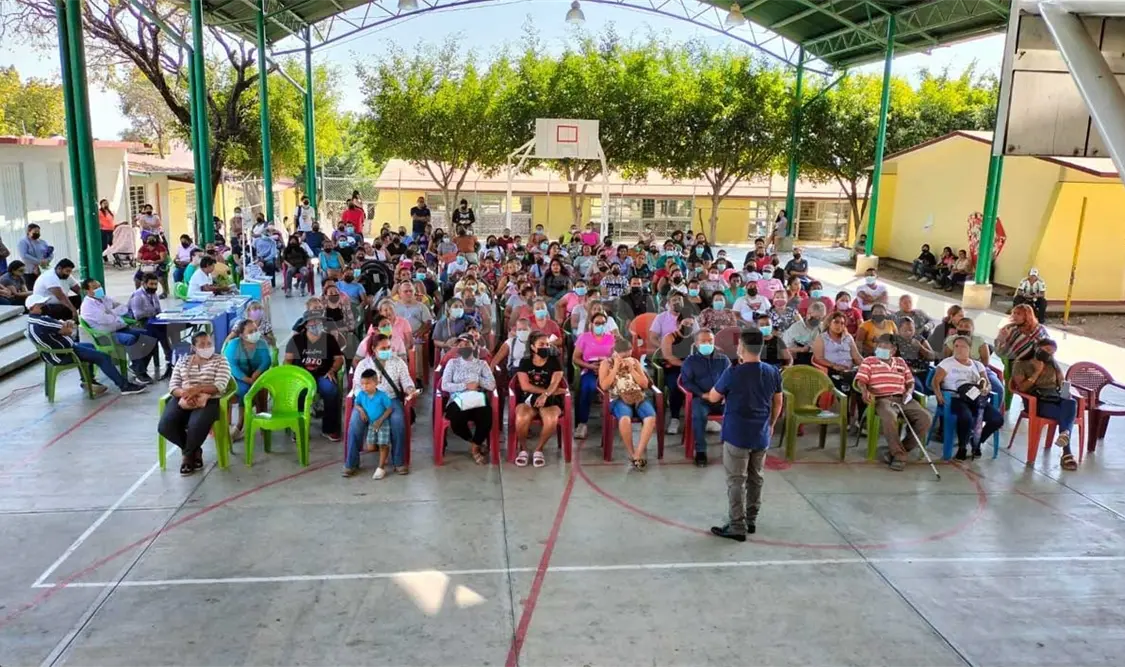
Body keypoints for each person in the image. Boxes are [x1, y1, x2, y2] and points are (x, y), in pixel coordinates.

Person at [706, 329, 783, 542]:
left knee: (736, 480)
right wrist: (772, 423)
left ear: (741, 347)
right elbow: (778, 402)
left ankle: (736, 525)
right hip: (761, 432)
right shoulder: (772, 371)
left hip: (737, 433)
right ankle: (751, 519)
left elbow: (713, 397)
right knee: (756, 477)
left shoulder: (733, 372)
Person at [26, 294, 148, 397]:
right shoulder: (43, 322)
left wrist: (64, 326)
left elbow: (62, 327)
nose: (44, 306)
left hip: (59, 351)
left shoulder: (34, 320)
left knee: (90, 347)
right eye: (40, 305)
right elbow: (68, 331)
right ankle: (124, 386)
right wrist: (67, 326)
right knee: (103, 357)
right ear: (32, 308)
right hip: (64, 353)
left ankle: (88, 380)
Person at [856, 334, 933, 471]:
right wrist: (864, 390)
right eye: (879, 345)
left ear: (893, 349)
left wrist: (909, 392)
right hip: (882, 399)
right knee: (890, 417)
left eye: (885, 346)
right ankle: (898, 455)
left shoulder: (900, 362)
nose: (881, 348)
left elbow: (910, 382)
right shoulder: (869, 361)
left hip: (903, 398)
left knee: (925, 418)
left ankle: (899, 450)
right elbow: (861, 381)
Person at [158, 330, 231, 474]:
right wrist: (186, 394)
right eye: (202, 344)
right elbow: (173, 385)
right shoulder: (183, 361)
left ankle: (187, 456)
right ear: (193, 348)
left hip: (209, 399)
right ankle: (194, 450)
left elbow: (220, 385)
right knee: (165, 426)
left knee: (195, 425)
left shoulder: (220, 360)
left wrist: (197, 390)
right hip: (183, 398)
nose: (206, 347)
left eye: (209, 343)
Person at [351, 334, 418, 474]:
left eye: (389, 347)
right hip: (368, 400)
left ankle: (398, 462)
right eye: (383, 348)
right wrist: (363, 404)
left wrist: (410, 389)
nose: (387, 350)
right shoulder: (364, 364)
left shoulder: (397, 362)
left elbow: (406, 380)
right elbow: (356, 386)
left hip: (390, 400)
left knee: (398, 420)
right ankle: (351, 463)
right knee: (355, 421)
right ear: (374, 349)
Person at [1010, 338, 1079, 470]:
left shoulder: (1052, 363)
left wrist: (1063, 383)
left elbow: (1063, 387)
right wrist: (1037, 372)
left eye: (1052, 353)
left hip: (1054, 397)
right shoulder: (1021, 363)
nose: (1049, 355)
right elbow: (1022, 388)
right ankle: (1067, 451)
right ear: (1037, 347)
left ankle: (1065, 436)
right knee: (1065, 416)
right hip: (1036, 401)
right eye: (1047, 350)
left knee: (1071, 402)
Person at [932, 336, 1004, 460]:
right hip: (955, 398)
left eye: (963, 346)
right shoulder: (947, 363)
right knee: (966, 417)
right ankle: (962, 447)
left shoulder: (977, 365)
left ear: (970, 349)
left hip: (975, 397)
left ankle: (977, 441)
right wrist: (939, 395)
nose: (959, 349)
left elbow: (986, 382)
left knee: (997, 419)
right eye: (956, 346)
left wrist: (986, 389)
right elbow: (935, 382)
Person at [79, 277, 159, 383]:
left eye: (99, 286)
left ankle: (137, 366)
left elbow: (124, 308)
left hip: (120, 327)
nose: (99, 289)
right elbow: (105, 319)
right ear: (86, 291)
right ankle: (140, 373)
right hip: (106, 335)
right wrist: (114, 313)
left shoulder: (104, 298)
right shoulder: (87, 306)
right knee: (130, 339)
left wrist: (111, 312)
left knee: (151, 336)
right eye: (94, 287)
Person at [285, 310, 345, 441]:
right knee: (298, 394)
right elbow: (287, 361)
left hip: (323, 375)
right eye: (312, 321)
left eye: (318, 321)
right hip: (302, 377)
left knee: (331, 391)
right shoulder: (296, 340)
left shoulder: (329, 339)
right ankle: (299, 428)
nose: (316, 324)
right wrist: (294, 376)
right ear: (306, 324)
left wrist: (332, 370)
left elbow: (339, 359)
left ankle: (329, 429)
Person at [598, 339, 658, 470]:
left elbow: (644, 384)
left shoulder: (634, 362)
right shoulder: (605, 364)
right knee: (625, 419)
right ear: (615, 353)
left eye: (628, 355)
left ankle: (638, 453)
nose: (626, 358)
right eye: (623, 356)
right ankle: (632, 453)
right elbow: (604, 385)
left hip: (638, 397)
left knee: (650, 418)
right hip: (618, 398)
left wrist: (632, 369)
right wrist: (615, 368)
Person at [513, 331, 567, 467]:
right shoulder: (525, 362)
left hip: (551, 399)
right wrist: (548, 392)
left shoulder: (555, 361)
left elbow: (555, 382)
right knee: (521, 417)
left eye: (548, 344)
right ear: (532, 347)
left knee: (551, 419)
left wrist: (547, 395)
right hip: (529, 398)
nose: (545, 347)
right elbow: (525, 386)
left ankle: (539, 449)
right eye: (541, 344)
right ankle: (523, 449)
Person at [440, 336, 497, 464]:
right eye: (460, 346)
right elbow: (445, 385)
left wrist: (477, 381)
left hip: (477, 397)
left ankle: (475, 448)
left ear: (474, 346)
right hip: (458, 398)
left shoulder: (482, 364)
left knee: (486, 416)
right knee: (456, 419)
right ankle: (474, 442)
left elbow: (492, 384)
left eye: (467, 344)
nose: (463, 347)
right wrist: (465, 385)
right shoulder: (452, 363)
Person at [680, 328, 732, 466]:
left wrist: (726, 394)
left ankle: (733, 448)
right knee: (698, 415)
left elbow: (730, 379)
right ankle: (701, 451)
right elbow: (686, 382)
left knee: (738, 409)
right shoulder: (690, 361)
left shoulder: (723, 359)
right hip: (701, 398)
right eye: (703, 341)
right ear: (696, 344)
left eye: (710, 341)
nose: (707, 344)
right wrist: (703, 394)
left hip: (721, 398)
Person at [222, 318, 271, 439]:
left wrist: (257, 373)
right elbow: (231, 365)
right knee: (245, 390)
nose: (255, 333)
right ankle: (240, 424)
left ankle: (259, 420)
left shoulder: (261, 343)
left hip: (257, 376)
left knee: (259, 389)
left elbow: (266, 361)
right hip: (238, 377)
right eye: (250, 331)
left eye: (256, 330)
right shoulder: (234, 345)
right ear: (242, 335)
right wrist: (246, 379)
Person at [342, 368, 395, 478]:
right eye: (363, 384)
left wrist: (380, 420)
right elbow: (357, 404)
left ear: (376, 382)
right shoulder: (361, 395)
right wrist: (361, 411)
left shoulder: (382, 395)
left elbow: (389, 408)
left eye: (368, 383)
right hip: (372, 423)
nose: (365, 386)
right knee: (370, 447)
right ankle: (383, 452)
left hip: (382, 423)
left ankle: (381, 467)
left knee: (382, 444)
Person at [573, 311, 617, 440]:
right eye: (597, 323)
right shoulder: (584, 337)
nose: (600, 326)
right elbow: (575, 358)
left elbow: (615, 357)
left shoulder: (610, 338)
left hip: (607, 367)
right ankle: (582, 423)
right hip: (590, 368)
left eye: (603, 323)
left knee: (614, 387)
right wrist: (590, 366)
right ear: (591, 324)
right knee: (588, 388)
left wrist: (607, 366)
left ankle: (615, 418)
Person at [659, 313, 697, 435]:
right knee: (676, 386)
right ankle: (675, 418)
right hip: (673, 368)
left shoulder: (695, 338)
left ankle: (703, 416)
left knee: (704, 382)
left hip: (692, 368)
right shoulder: (669, 337)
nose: (689, 326)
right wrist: (686, 365)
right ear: (678, 324)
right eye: (686, 324)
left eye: (691, 324)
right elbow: (669, 357)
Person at [812, 311, 864, 395]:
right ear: (829, 323)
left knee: (864, 381)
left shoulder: (848, 337)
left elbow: (856, 356)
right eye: (836, 322)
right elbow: (818, 358)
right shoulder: (821, 338)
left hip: (849, 369)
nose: (839, 325)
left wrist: (867, 365)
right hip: (832, 370)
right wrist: (834, 365)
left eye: (842, 323)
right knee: (849, 383)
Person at [995, 304, 1049, 369]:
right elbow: (1000, 351)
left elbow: (1048, 346)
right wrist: (1002, 339)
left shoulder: (1039, 329)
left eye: (1018, 314)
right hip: (1014, 364)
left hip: (1036, 364)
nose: (1015, 316)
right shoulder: (1009, 328)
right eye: (1014, 313)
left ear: (1027, 316)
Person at [18, 223, 53, 290]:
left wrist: (47, 260)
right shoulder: (23, 242)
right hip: (30, 271)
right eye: (35, 232)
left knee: (45, 289)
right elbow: (24, 256)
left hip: (43, 270)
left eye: (38, 232)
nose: (37, 233)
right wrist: (39, 262)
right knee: (33, 290)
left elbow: (50, 253)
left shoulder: (42, 242)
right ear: (29, 232)